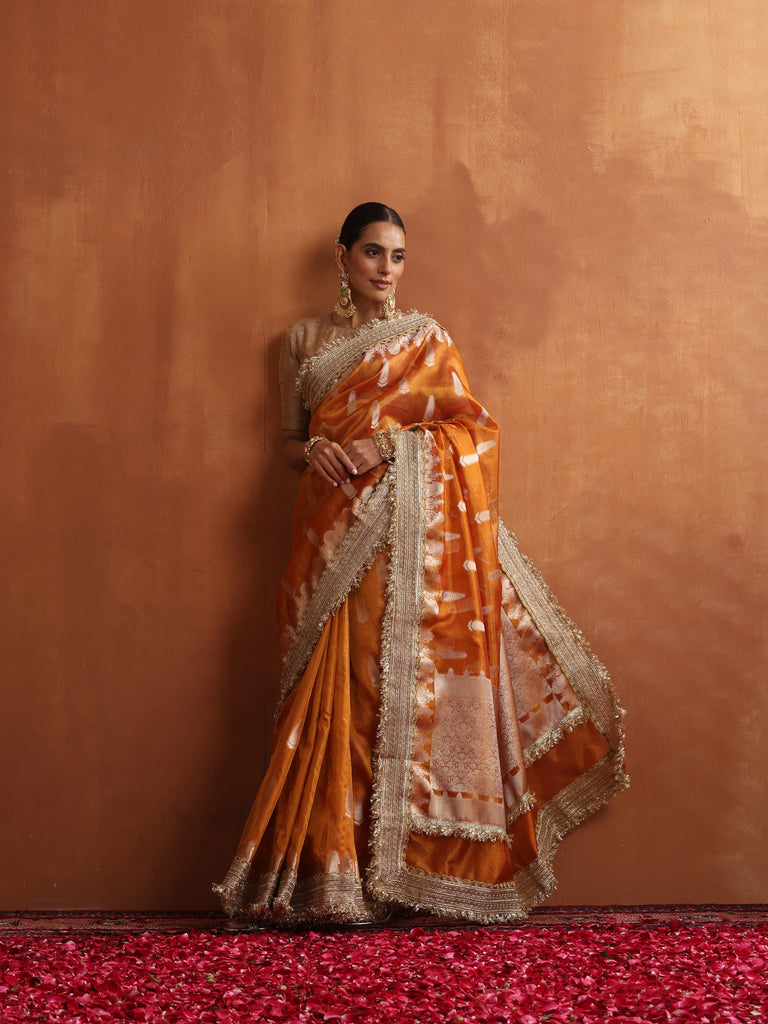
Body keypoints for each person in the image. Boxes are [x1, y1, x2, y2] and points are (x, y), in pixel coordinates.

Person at [213, 202, 628, 924]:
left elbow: (472, 432)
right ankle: (333, 874)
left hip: (407, 545)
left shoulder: (426, 340)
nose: (387, 269)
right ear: (342, 256)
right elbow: (287, 443)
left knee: (392, 693)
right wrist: (316, 449)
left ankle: (402, 872)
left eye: (398, 256)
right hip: (327, 539)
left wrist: (384, 445)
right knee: (337, 694)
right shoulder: (301, 341)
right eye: (373, 252)